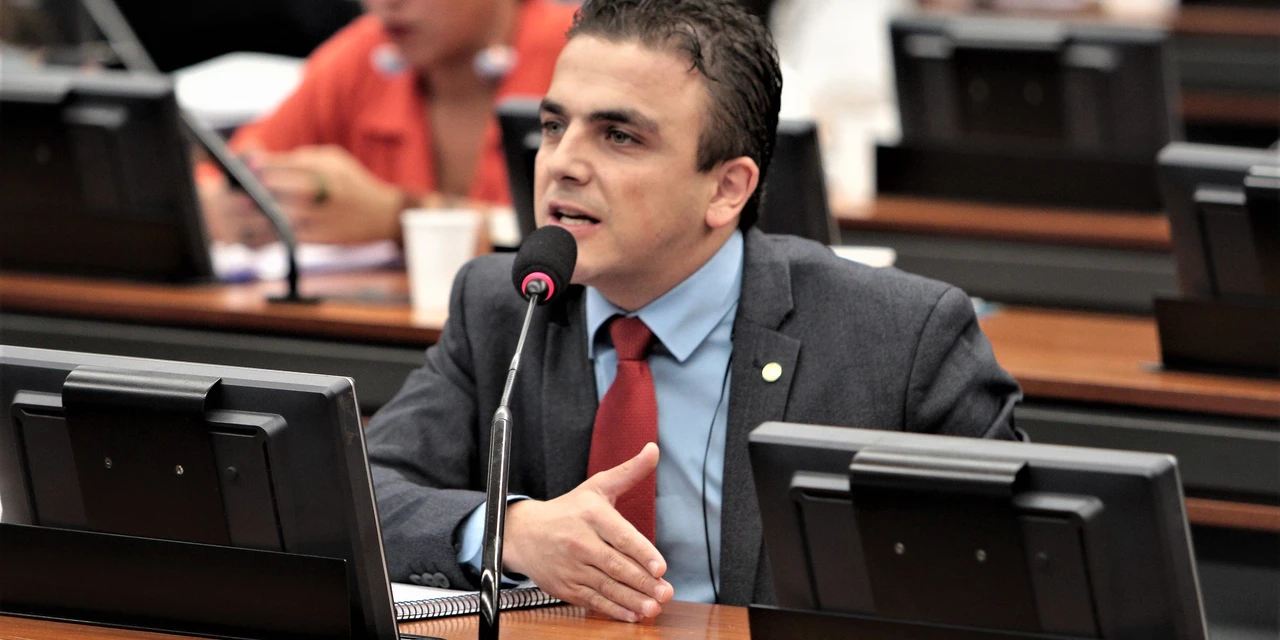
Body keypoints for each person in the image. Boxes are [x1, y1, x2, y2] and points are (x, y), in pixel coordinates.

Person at [364, 0, 1022, 624]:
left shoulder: (900, 339)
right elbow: (361, 491)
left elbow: (1013, 571)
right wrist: (510, 530)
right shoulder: (505, 305)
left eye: (619, 136)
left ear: (727, 188)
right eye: (554, 126)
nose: (562, 164)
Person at [198, 0, 578, 247]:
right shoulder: (362, 54)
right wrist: (246, 206)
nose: (389, 3)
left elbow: (590, 237)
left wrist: (396, 218)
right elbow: (214, 182)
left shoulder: (581, 54)